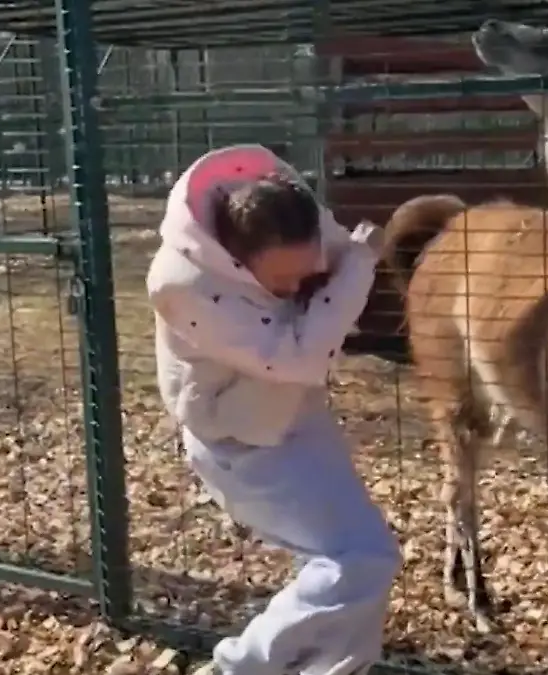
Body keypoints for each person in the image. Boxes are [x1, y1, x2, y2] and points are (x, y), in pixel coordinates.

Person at [146, 145, 401, 675]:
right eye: (280, 282)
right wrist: (357, 265)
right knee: (358, 559)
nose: (294, 291)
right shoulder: (184, 284)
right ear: (236, 259)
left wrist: (340, 263)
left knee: (351, 558)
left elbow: (324, 264)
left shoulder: (285, 210)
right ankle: (240, 668)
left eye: (302, 277)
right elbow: (296, 357)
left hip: (288, 416)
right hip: (240, 440)